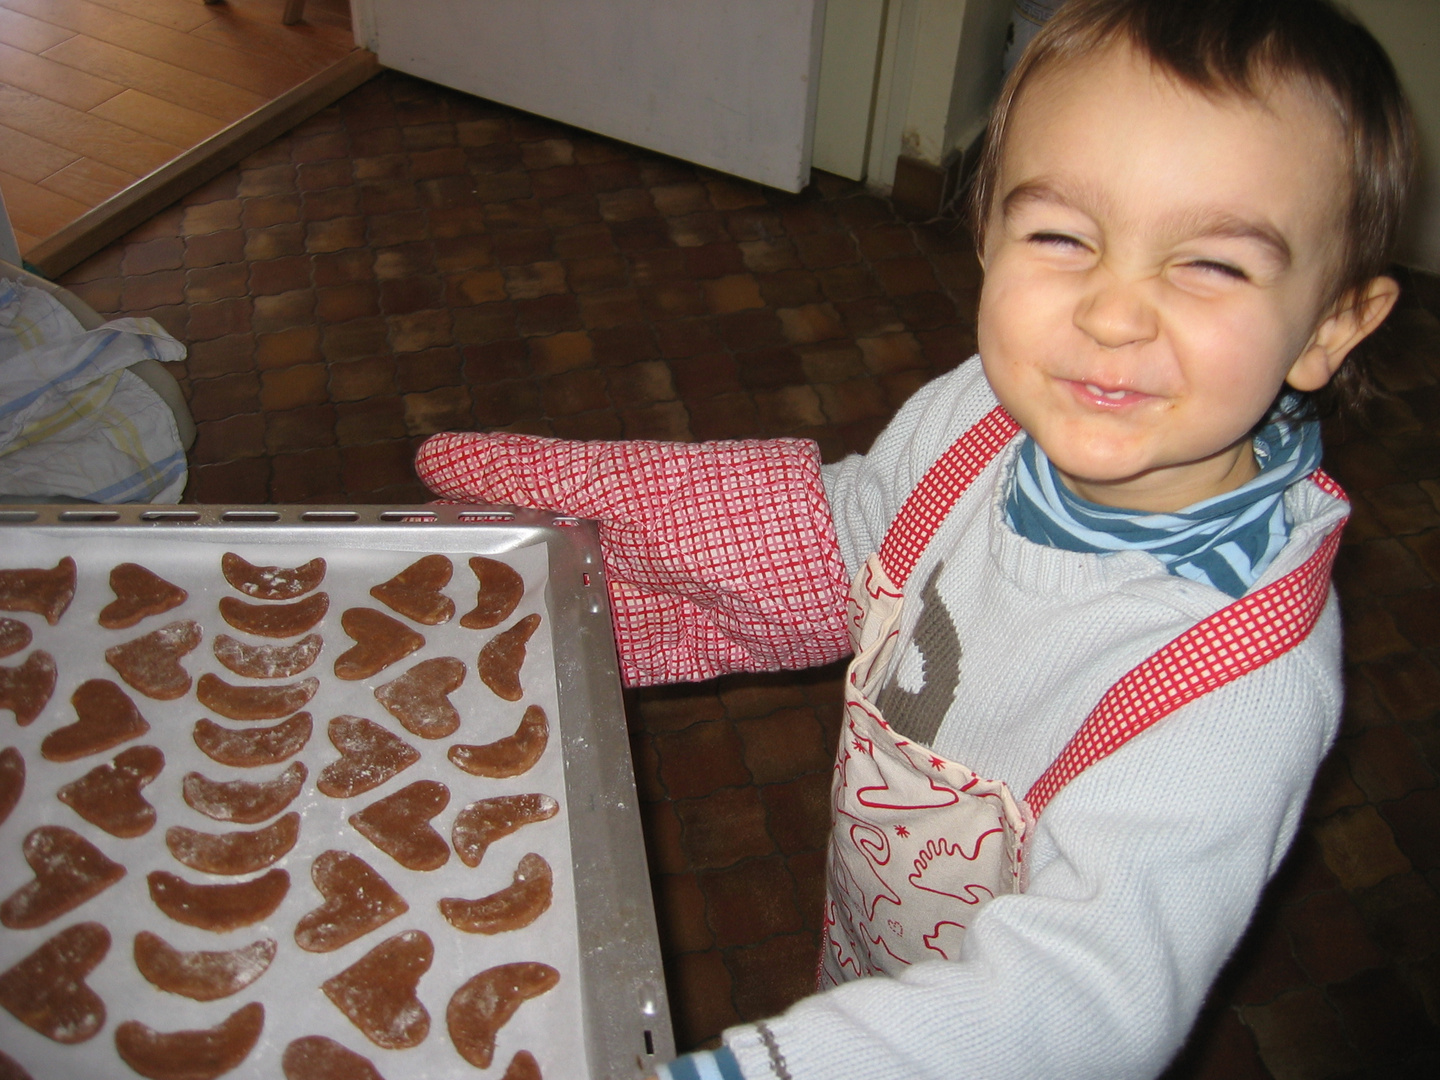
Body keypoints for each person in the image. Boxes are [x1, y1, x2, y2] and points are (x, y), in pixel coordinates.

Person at [415, 1, 1416, 1076]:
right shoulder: (976, 415)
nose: (1113, 312)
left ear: (1329, 326)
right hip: (876, 962)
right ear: (987, 234)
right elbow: (854, 536)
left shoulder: (1239, 689)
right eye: (1062, 236)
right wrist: (599, 547)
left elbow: (1084, 998)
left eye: (1212, 264)